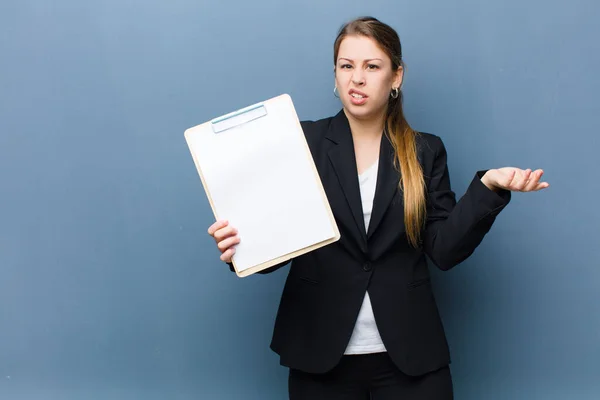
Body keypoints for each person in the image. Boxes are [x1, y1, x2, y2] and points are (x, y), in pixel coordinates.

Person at [207, 16, 549, 400]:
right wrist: (238, 246)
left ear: (396, 76)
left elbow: (444, 250)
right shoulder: (301, 142)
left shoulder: (425, 150)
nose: (357, 78)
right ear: (335, 75)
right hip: (319, 354)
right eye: (346, 66)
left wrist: (487, 187)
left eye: (372, 66)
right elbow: (275, 246)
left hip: (411, 356)